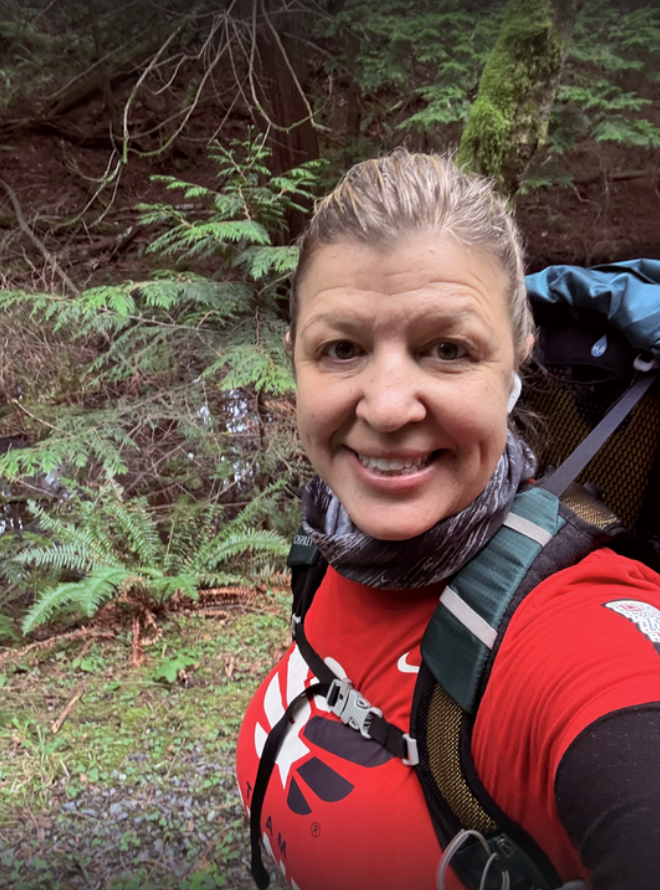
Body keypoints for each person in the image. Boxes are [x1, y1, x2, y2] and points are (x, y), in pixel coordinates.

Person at [235, 150, 660, 890]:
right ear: (294, 361)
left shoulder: (572, 634)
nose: (389, 406)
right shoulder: (332, 538)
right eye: (342, 349)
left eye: (447, 350)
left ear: (518, 364)